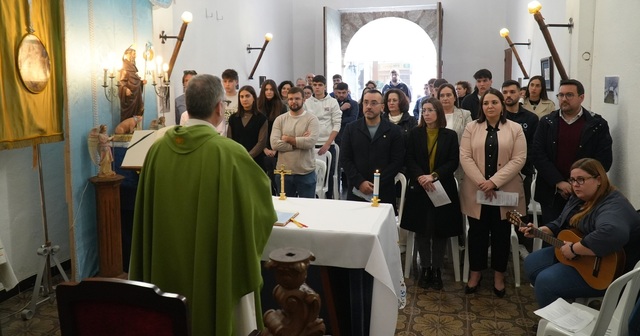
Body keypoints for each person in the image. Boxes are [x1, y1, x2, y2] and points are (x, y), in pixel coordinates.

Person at [129, 74, 276, 335]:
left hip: (164, 261)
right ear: (220, 107)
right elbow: (262, 211)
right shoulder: (229, 153)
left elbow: (144, 213)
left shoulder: (157, 149)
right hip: (211, 267)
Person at [521, 158, 640, 308]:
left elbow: (613, 232)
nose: (575, 185)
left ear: (598, 179)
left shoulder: (612, 205)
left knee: (545, 282)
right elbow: (561, 221)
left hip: (606, 270)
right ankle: (560, 302)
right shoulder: (579, 197)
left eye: (581, 180)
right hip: (582, 258)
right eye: (572, 180)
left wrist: (574, 249)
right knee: (532, 263)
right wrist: (542, 231)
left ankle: (560, 324)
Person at [459, 88, 526, 298]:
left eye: (494, 102)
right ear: (481, 106)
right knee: (476, 234)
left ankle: (499, 275)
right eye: (486, 103)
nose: (490, 106)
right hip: (477, 191)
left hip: (504, 191)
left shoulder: (515, 129)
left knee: (501, 234)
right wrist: (482, 182)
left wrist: (494, 182)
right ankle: (475, 273)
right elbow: (465, 157)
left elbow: (519, 159)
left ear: (502, 105)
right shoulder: (471, 127)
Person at [532, 79, 613, 224]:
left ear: (581, 97)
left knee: (578, 238)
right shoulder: (546, 122)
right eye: (560, 95)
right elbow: (537, 154)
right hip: (552, 191)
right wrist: (559, 182)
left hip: (585, 195)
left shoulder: (597, 125)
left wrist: (578, 183)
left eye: (569, 95)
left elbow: (604, 161)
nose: (564, 99)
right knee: (551, 236)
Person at [402, 98, 462, 290]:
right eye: (423, 110)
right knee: (422, 230)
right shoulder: (414, 133)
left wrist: (434, 176)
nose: (426, 113)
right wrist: (421, 176)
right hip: (420, 188)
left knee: (439, 230)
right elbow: (409, 158)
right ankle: (425, 267)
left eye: (430, 110)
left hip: (441, 186)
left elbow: (453, 161)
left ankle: (436, 269)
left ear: (439, 112)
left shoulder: (450, 135)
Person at [340, 89, 405, 210]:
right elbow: (345, 159)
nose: (369, 106)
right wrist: (360, 182)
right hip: (356, 190)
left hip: (384, 190)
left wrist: (377, 183)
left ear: (382, 107)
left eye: (374, 103)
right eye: (366, 102)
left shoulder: (394, 131)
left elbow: (397, 161)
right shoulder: (351, 129)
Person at [270, 87, 319, 198]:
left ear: (304, 99)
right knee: (286, 210)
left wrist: (288, 139)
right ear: (287, 100)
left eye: (297, 98)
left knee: (307, 209)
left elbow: (310, 142)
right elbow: (274, 144)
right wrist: (300, 141)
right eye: (291, 99)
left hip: (305, 173)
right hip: (283, 173)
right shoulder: (280, 120)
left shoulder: (312, 119)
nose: (293, 101)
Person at [304, 75, 341, 199]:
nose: (317, 87)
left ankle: (329, 200)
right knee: (310, 174)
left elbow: (337, 124)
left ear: (325, 86)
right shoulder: (307, 103)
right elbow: (304, 122)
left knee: (328, 176)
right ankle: (312, 199)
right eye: (315, 85)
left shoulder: (332, 102)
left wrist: (327, 144)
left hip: (328, 144)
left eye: (320, 85)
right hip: (311, 144)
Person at [502, 80, 538, 207]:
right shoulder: (497, 117)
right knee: (501, 213)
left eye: (512, 92)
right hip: (499, 171)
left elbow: (533, 147)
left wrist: (519, 165)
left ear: (520, 94)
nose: (508, 95)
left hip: (523, 171)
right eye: (505, 92)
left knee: (521, 211)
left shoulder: (531, 118)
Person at [437, 83, 473, 181]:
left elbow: (469, 139)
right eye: (442, 95)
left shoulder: (465, 114)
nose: (445, 98)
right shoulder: (432, 115)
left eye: (448, 95)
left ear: (455, 97)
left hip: (459, 161)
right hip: (437, 162)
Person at [227, 85, 268, 167]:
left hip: (255, 160)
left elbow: (261, 142)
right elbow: (229, 140)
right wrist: (237, 155)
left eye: (247, 96)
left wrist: (247, 156)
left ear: (254, 98)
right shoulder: (233, 118)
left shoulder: (261, 118)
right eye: (241, 97)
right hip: (237, 159)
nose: (244, 99)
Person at [258, 79, 287, 192]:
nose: (269, 92)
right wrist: (264, 147)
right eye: (266, 89)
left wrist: (275, 148)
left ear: (275, 91)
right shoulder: (258, 106)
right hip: (261, 147)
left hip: (277, 147)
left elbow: (283, 129)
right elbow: (257, 130)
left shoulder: (281, 107)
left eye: (271, 89)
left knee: (277, 180)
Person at [118, 46, 146, 121]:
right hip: (130, 98)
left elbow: (135, 81)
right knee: (129, 115)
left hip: (137, 95)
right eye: (133, 54)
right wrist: (125, 89)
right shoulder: (125, 67)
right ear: (129, 54)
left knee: (140, 110)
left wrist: (141, 83)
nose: (135, 57)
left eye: (135, 55)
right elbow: (121, 82)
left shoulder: (133, 67)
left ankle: (135, 128)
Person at [333, 82, 358, 147]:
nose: (341, 95)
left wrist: (337, 120)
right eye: (339, 93)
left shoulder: (354, 104)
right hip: (334, 135)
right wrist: (340, 109)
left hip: (349, 134)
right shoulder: (333, 103)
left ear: (347, 92)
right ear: (336, 92)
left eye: (343, 93)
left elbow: (353, 119)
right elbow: (329, 118)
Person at [221, 69, 239, 136]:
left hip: (236, 133)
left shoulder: (241, 98)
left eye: (230, 81)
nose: (227, 84)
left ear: (236, 82)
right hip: (222, 134)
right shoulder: (219, 98)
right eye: (225, 81)